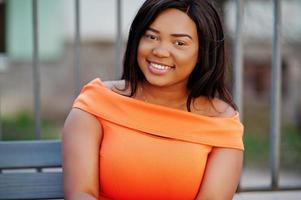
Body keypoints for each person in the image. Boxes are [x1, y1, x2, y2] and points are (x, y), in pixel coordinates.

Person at [62, 0, 244, 199]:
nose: (160, 51)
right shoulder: (95, 104)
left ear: (202, 52)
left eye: (179, 43)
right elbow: (80, 193)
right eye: (151, 36)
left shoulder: (221, 123)